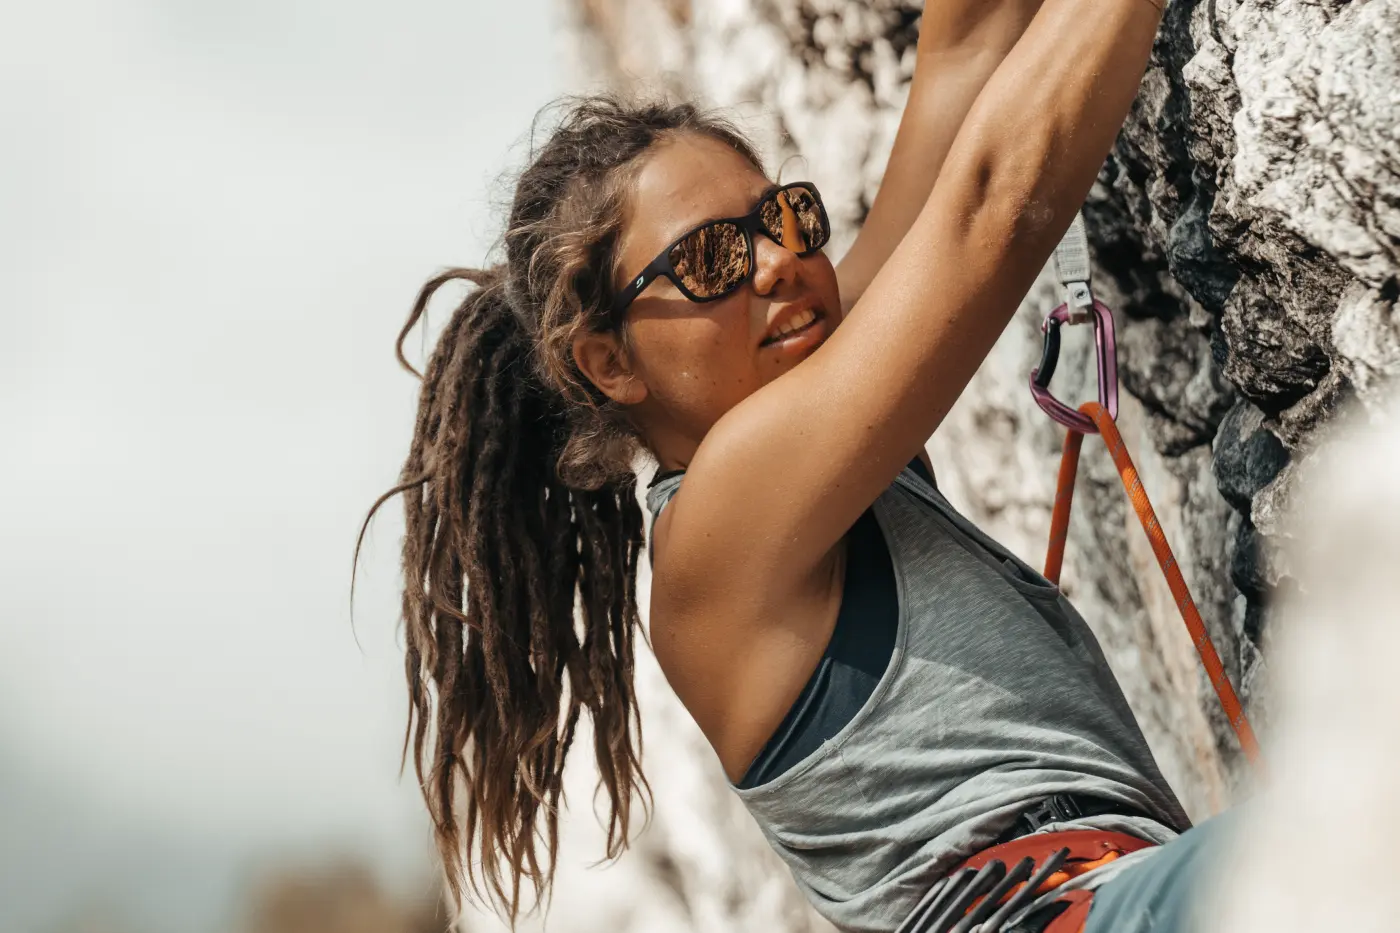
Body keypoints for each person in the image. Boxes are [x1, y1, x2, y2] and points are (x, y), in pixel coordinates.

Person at [360, 0, 1239, 928]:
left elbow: (967, 51)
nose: (778, 261)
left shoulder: (806, 375)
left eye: (783, 216)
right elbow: (991, 209)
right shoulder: (718, 527)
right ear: (612, 361)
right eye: (710, 256)